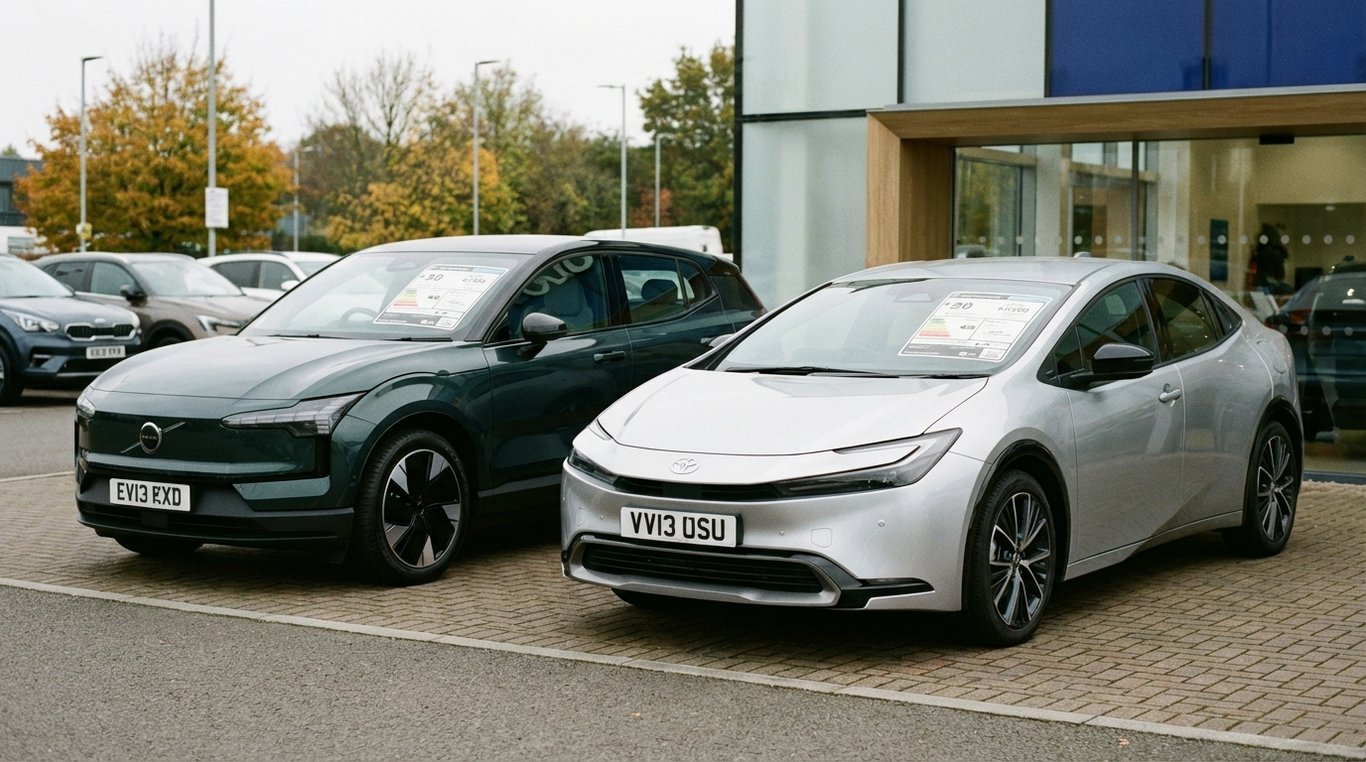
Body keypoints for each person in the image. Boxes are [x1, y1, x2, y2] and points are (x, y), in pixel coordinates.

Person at [1253, 223, 1292, 294]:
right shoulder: (1276, 254)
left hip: (1259, 285)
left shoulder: (1259, 254)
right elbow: (1280, 276)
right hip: (1271, 286)